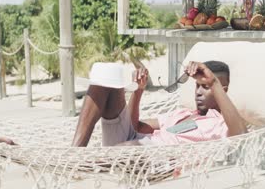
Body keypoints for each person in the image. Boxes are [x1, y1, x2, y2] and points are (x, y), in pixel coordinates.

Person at [72, 61, 248, 147]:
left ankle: (87, 162)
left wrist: (213, 82)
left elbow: (241, 135)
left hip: (155, 159)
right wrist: (139, 91)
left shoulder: (220, 123)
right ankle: (74, 154)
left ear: (222, 89)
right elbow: (136, 126)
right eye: (197, 86)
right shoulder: (183, 113)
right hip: (131, 146)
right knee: (106, 75)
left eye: (205, 87)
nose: (198, 92)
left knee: (132, 147)